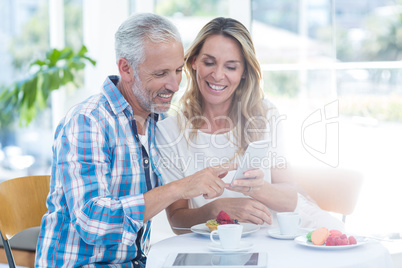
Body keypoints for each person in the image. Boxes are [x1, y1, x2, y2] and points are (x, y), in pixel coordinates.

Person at [35, 13, 235, 268]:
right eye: (161, 73)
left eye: (177, 70)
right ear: (125, 69)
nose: (174, 85)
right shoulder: (88, 122)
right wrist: (179, 188)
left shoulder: (158, 123)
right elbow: (93, 222)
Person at [156, 17, 345, 232]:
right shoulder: (169, 132)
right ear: (194, 61)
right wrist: (215, 210)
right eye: (209, 62)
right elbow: (177, 222)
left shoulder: (265, 115)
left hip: (278, 233)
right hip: (217, 246)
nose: (217, 75)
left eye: (231, 66)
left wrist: (258, 188)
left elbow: (289, 198)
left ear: (244, 72)